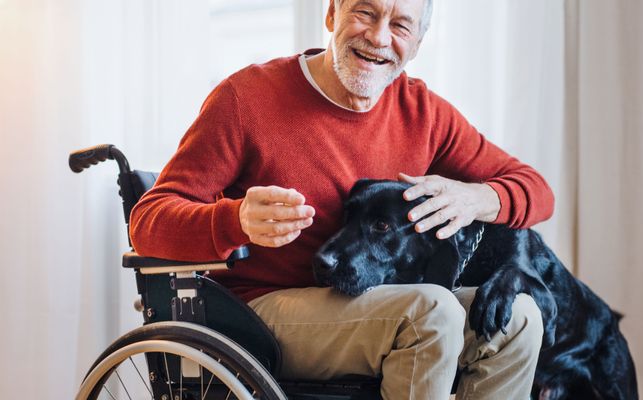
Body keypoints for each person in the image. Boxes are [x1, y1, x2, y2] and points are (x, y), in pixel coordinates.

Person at [130, 0, 555, 398]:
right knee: (433, 312)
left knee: (518, 320)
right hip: (260, 310)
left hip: (370, 299)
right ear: (332, 12)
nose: (379, 37)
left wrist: (474, 197)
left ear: (418, 44)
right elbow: (148, 220)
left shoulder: (423, 112)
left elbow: (535, 189)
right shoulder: (246, 98)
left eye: (400, 25)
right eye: (365, 13)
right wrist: (235, 219)